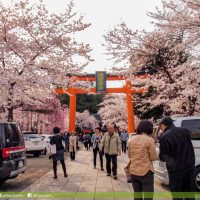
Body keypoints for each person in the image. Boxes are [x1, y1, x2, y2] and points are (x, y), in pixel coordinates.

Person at [159, 117, 195, 200]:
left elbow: (163, 156)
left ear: (163, 125)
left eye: (160, 126)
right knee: (189, 191)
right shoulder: (185, 131)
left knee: (177, 194)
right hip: (189, 166)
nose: (160, 128)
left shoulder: (164, 137)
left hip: (175, 170)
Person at [128, 120, 157, 200]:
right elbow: (153, 157)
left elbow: (129, 155)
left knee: (137, 195)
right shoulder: (149, 140)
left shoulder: (131, 140)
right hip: (146, 172)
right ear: (149, 129)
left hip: (133, 171)